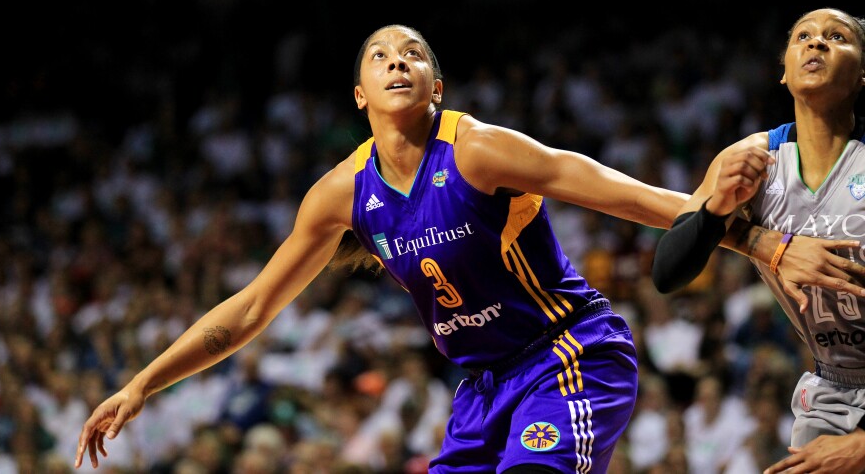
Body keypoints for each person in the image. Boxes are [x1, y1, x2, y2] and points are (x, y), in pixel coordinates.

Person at [76, 24, 865, 473]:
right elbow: (250, 309)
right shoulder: (340, 194)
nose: (398, 61)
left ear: (437, 86)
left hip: (569, 355)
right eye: (381, 56)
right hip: (481, 390)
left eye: (414, 54)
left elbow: (627, 194)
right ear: (359, 94)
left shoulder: (479, 150)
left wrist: (764, 242)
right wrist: (144, 383)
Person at [651, 8, 865, 474]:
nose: (816, 43)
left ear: (862, 74)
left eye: (837, 37)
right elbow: (667, 272)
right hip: (833, 388)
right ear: (783, 71)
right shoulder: (752, 159)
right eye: (803, 36)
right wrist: (717, 207)